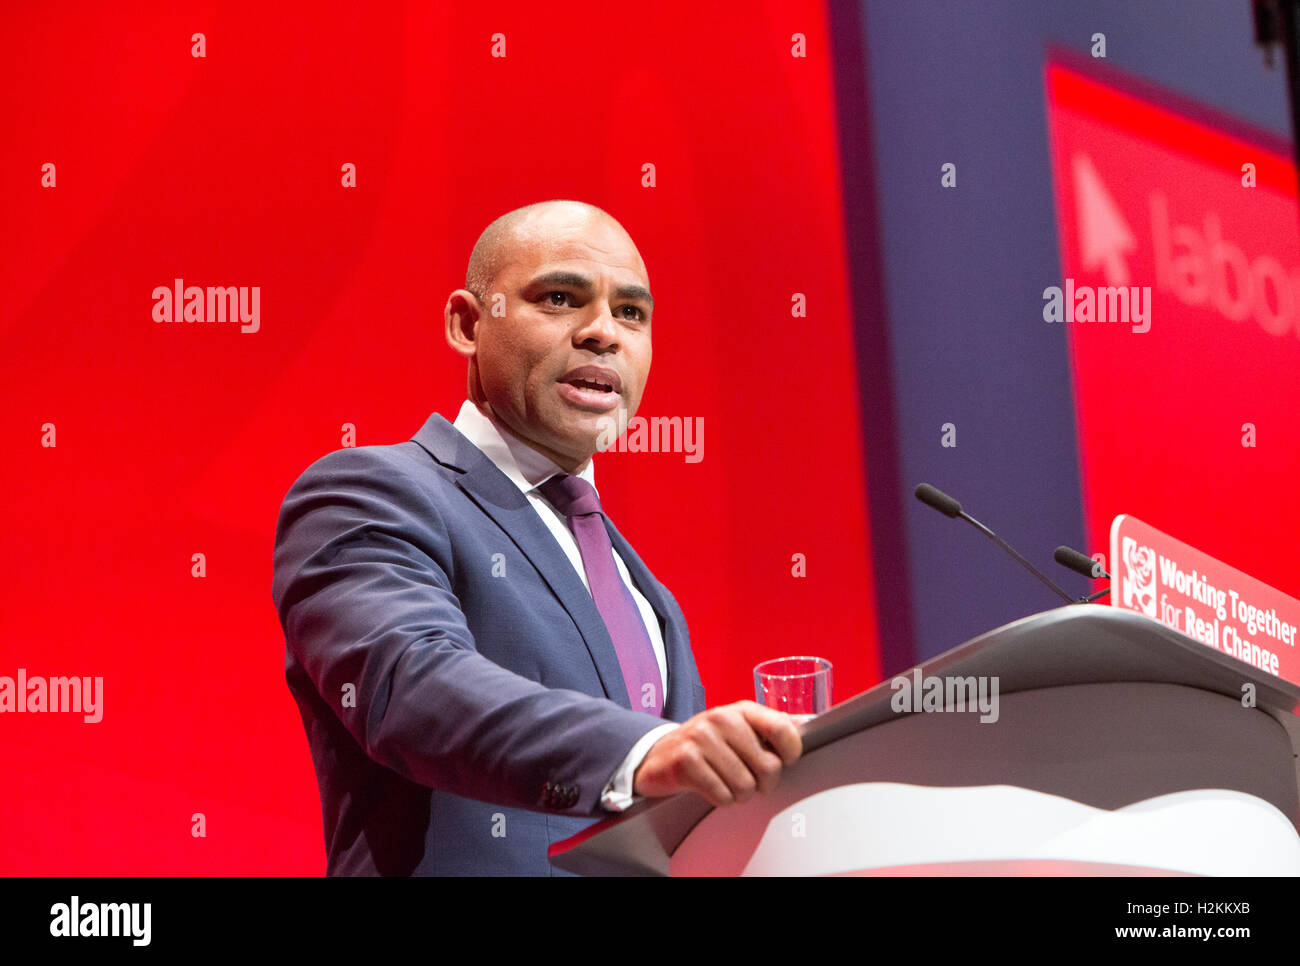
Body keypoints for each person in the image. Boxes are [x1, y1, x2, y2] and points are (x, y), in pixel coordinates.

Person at [271, 199, 801, 875]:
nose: (604, 333)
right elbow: (409, 687)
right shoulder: (372, 492)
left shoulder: (646, 592)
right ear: (467, 323)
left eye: (632, 313)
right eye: (560, 297)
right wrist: (643, 753)